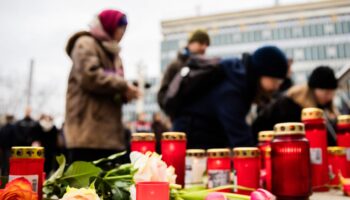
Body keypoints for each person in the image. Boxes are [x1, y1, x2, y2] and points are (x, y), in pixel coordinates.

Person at [158, 45, 288, 149]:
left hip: (201, 137)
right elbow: (241, 141)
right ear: (261, 74)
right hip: (192, 140)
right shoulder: (232, 89)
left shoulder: (239, 79)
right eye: (275, 81)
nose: (277, 87)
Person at [64, 9, 140, 163]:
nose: (122, 34)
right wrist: (123, 85)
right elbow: (90, 76)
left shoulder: (115, 55)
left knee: (107, 183)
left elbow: (112, 87)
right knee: (84, 185)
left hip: (110, 135)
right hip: (87, 133)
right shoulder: (85, 43)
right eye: (121, 29)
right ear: (110, 26)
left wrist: (125, 94)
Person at [253, 66, 338, 145]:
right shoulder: (291, 107)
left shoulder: (320, 105)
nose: (329, 97)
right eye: (326, 92)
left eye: (332, 93)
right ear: (313, 90)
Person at [158, 29, 210, 113]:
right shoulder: (175, 66)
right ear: (190, 43)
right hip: (182, 120)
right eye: (201, 43)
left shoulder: (205, 67)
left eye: (207, 45)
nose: (204, 47)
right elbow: (162, 96)